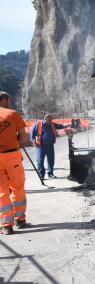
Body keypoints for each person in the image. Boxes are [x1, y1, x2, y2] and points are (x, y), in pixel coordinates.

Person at [0, 91, 28, 235]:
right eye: (8, 100)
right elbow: (24, 138)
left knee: (2, 192)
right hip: (12, 155)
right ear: (4, 100)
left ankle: (6, 225)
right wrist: (13, 140)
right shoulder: (12, 114)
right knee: (17, 187)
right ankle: (19, 219)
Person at [31, 114, 66, 180]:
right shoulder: (38, 124)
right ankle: (41, 175)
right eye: (49, 120)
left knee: (51, 160)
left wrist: (67, 126)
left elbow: (60, 126)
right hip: (41, 146)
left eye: (51, 120)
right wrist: (33, 141)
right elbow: (32, 134)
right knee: (40, 161)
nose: (51, 121)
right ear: (45, 119)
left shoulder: (52, 124)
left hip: (50, 145)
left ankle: (50, 173)